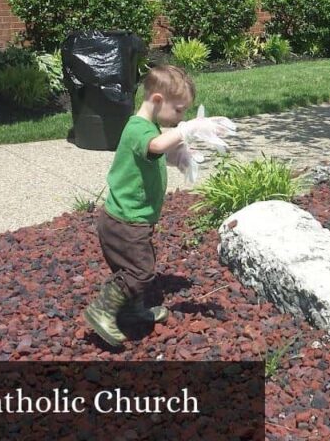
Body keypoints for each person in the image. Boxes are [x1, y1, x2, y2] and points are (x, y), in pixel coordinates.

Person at [83, 65, 235, 346]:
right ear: (156, 101)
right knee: (139, 271)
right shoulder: (139, 128)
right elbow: (153, 146)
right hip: (126, 221)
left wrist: (180, 157)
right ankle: (101, 309)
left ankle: (131, 310)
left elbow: (153, 154)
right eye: (179, 111)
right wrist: (185, 130)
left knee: (138, 265)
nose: (182, 117)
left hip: (130, 219)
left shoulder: (146, 126)